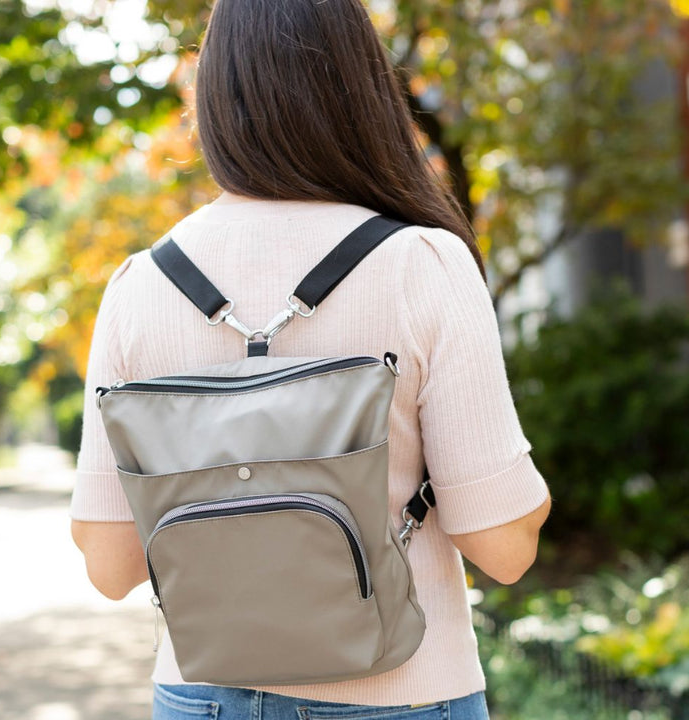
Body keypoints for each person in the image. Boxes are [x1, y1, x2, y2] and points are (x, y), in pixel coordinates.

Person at [70, 0, 552, 718]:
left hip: (201, 698)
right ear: (363, 90)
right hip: (403, 695)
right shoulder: (422, 263)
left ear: (215, 97)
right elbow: (504, 546)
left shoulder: (139, 285)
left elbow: (110, 567)